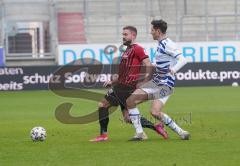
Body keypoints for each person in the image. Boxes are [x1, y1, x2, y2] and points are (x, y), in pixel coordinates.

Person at [90, 26, 168, 142]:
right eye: (123, 34)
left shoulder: (138, 49)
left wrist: (145, 81)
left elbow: (148, 64)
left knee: (102, 105)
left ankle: (103, 135)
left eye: (125, 34)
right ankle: (155, 127)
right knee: (127, 118)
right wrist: (112, 82)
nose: (123, 36)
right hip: (121, 84)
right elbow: (122, 73)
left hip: (126, 86)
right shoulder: (126, 51)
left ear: (133, 36)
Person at [126, 19, 190, 141]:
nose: (151, 33)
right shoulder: (162, 44)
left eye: (152, 30)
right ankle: (140, 133)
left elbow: (183, 59)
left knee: (154, 112)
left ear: (158, 31)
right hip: (156, 81)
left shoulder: (168, 44)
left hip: (165, 84)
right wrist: (153, 65)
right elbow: (163, 62)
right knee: (130, 101)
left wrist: (173, 70)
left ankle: (181, 132)